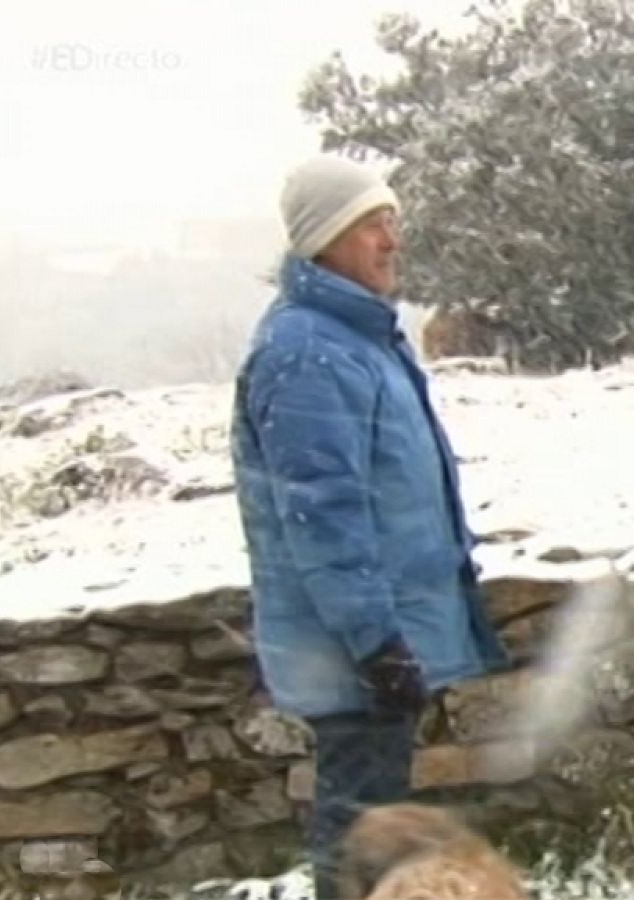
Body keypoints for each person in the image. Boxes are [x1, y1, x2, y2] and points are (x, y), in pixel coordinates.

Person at [230, 154, 510, 899]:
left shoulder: (352, 335)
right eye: (369, 225)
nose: (392, 239)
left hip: (375, 636)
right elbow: (319, 516)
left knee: (373, 821)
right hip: (352, 648)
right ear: (322, 238)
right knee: (362, 829)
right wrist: (376, 644)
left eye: (392, 220)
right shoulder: (309, 352)